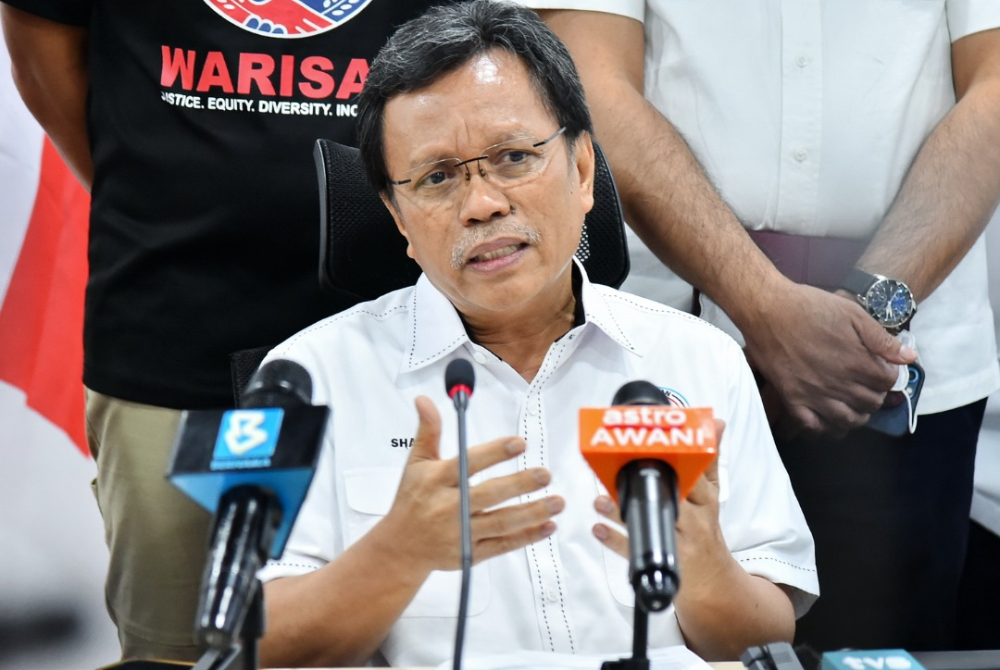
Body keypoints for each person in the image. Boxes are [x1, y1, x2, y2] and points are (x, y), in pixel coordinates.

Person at [256, 2, 817, 667]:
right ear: (397, 216)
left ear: (583, 171)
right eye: (438, 178)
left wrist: (704, 566)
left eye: (514, 158)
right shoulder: (309, 377)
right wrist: (395, 554)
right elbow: (263, 646)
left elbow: (767, 636)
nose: (483, 204)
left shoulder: (695, 360)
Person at [515, 0, 1000, 652]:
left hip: (894, 356)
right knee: (650, 629)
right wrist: (768, 310)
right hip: (665, 341)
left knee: (878, 651)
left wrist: (858, 320)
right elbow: (588, 78)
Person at [0, 0, 441, 661]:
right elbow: (42, 46)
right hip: (176, 334)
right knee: (179, 647)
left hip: (389, 344)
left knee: (383, 641)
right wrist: (151, 194)